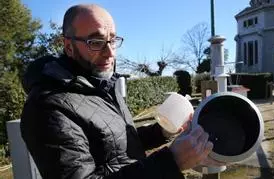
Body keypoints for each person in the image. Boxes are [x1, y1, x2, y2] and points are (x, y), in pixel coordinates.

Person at [20, 4, 218, 179]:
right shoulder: (46, 107)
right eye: (95, 42)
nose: (110, 53)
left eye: (112, 40)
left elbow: (118, 143)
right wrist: (171, 162)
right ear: (68, 46)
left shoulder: (101, 85)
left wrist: (162, 131)